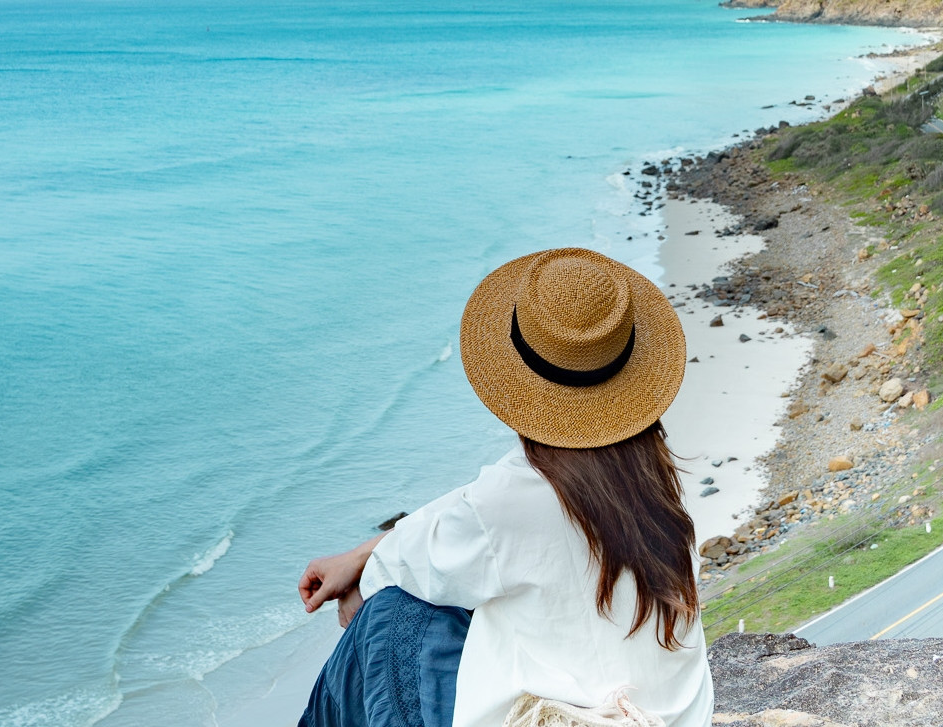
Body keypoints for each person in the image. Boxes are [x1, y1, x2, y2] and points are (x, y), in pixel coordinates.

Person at [298, 247, 714, 727]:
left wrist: (364, 575)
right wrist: (359, 554)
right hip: (674, 717)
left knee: (392, 612)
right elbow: (470, 511)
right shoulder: (652, 476)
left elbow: (411, 561)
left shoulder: (511, 502)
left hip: (572, 718)